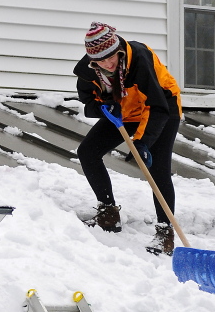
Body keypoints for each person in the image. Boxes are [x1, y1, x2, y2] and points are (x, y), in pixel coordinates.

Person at [74, 22, 182, 255]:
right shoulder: (87, 70)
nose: (107, 64)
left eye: (111, 58)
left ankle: (165, 233)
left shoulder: (139, 59)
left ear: (119, 50)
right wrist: (105, 107)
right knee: (88, 152)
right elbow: (89, 101)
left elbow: (157, 105)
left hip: (161, 106)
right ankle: (109, 214)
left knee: (157, 168)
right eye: (100, 62)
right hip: (124, 109)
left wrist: (142, 143)